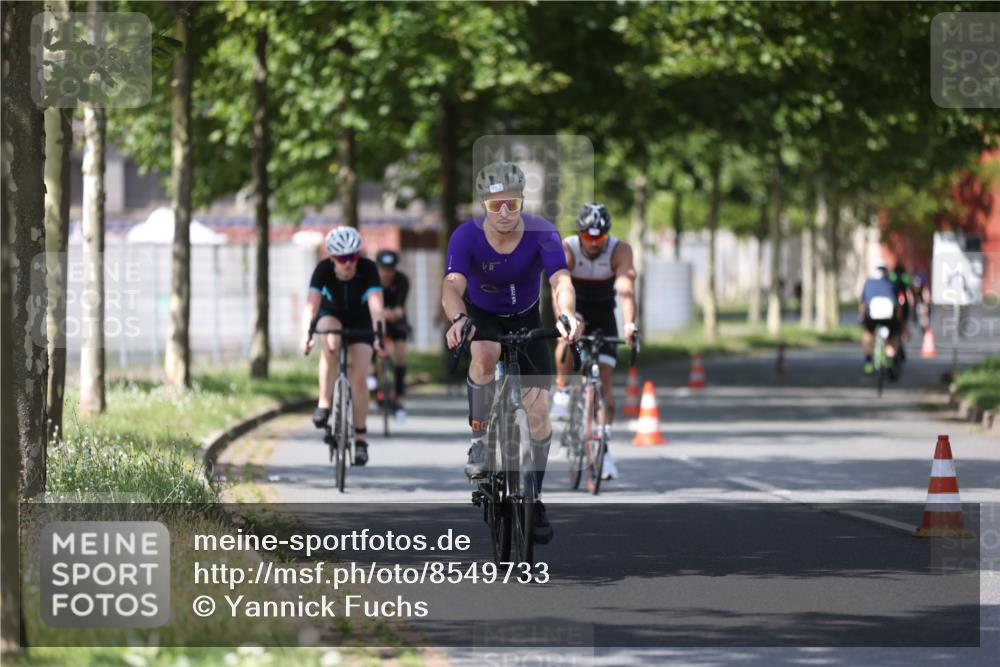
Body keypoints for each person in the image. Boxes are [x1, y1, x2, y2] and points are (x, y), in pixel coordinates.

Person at [442, 161, 580, 545]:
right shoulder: (465, 237)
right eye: (495, 205)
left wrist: (567, 313)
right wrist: (457, 318)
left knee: (538, 415)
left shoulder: (543, 233)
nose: (504, 213)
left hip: (527, 317)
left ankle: (533, 497)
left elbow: (560, 279)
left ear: (522, 202)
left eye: (512, 205)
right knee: (484, 353)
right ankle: (481, 438)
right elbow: (452, 284)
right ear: (483, 204)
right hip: (484, 317)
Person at [551, 203, 638, 481]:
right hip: (573, 306)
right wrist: (566, 320)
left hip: (603, 313)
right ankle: (563, 389)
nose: (593, 243)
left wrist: (630, 326)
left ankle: (604, 450)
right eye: (588, 237)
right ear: (579, 234)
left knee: (606, 382)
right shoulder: (568, 248)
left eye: (599, 238)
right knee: (568, 335)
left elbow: (625, 289)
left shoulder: (619, 250)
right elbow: (560, 289)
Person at [301, 227, 385, 466]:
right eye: (341, 258)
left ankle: (360, 439)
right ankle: (324, 403)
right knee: (330, 342)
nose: (347, 263)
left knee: (359, 377)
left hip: (360, 319)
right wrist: (305, 336)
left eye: (352, 257)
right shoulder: (323, 270)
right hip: (332, 313)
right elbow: (311, 306)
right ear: (332, 258)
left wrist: (379, 337)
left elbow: (376, 307)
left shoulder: (368, 269)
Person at [375, 249, 410, 421]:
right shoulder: (372, 281)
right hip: (377, 320)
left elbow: (399, 309)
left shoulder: (402, 280)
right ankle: (374, 380)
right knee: (377, 348)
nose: (387, 273)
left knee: (401, 354)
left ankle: (399, 395)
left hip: (396, 321)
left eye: (390, 269)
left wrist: (388, 313)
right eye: (383, 268)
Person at [859, 263, 903, 377]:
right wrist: (899, 322)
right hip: (889, 318)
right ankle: (891, 359)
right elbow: (898, 305)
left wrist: (862, 319)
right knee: (893, 337)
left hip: (872, 318)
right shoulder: (892, 284)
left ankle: (868, 362)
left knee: (868, 334)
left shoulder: (868, 283)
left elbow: (863, 304)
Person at [890, 261, 913, 360]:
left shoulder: (891, 277)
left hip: (893, 305)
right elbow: (908, 291)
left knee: (894, 328)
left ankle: (897, 347)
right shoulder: (906, 277)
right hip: (904, 305)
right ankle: (901, 345)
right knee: (902, 325)